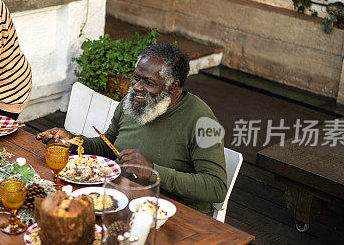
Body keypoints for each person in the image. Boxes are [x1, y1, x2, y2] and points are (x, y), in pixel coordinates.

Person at [38, 44, 227, 215]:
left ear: (173, 86)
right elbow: (108, 145)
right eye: (135, 78)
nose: (137, 87)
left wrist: (153, 171)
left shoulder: (202, 121)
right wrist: (72, 140)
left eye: (148, 82)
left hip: (169, 215)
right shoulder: (131, 103)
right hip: (120, 200)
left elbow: (216, 187)